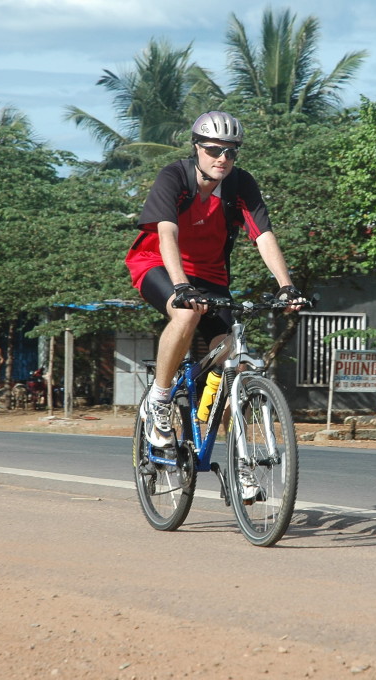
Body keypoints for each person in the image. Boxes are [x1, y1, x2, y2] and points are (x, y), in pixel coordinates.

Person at [125, 111, 306, 455]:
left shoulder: (240, 184)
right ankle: (159, 401)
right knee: (186, 315)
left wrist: (286, 285)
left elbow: (262, 234)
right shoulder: (174, 176)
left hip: (211, 277)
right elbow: (167, 232)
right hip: (159, 265)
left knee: (232, 365)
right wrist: (180, 287)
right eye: (213, 150)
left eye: (231, 151)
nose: (222, 158)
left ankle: (241, 460)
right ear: (196, 148)